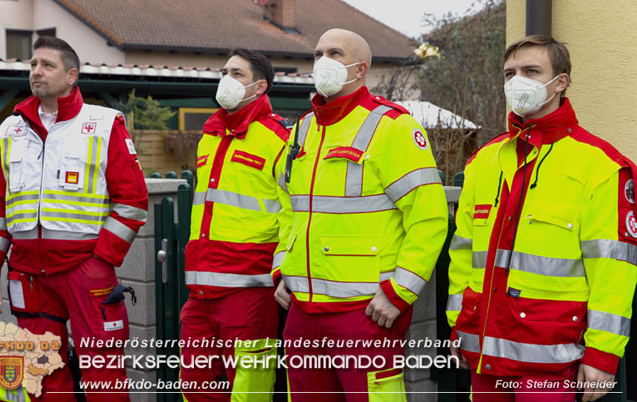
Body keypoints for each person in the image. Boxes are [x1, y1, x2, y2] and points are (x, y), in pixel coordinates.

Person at [447, 35, 637, 402]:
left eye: (532, 71)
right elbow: (463, 252)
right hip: (484, 353)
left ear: (560, 82)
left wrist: (603, 355)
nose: (518, 81)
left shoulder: (601, 167)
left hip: (552, 357)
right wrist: (459, 327)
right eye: (510, 73)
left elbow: (613, 272)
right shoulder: (483, 162)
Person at [272, 28, 449, 401]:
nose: (322, 62)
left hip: (366, 311)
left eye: (334, 53)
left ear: (359, 69)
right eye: (317, 54)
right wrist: (282, 270)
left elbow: (428, 217)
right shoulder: (303, 129)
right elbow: (288, 207)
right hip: (303, 311)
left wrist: (400, 292)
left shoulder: (393, 128)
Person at [0, 36, 148, 401]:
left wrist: (102, 259)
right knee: (39, 375)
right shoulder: (9, 129)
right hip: (26, 271)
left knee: (104, 373)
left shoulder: (103, 123)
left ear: (72, 75)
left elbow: (132, 202)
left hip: (87, 269)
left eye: (47, 65)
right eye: (33, 64)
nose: (36, 71)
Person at [179, 49, 290, 401]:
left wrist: (284, 269)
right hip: (199, 290)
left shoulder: (279, 139)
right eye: (224, 71)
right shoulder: (209, 135)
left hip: (250, 290)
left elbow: (292, 212)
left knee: (249, 391)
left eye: (237, 73)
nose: (226, 79)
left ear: (259, 86)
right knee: (195, 388)